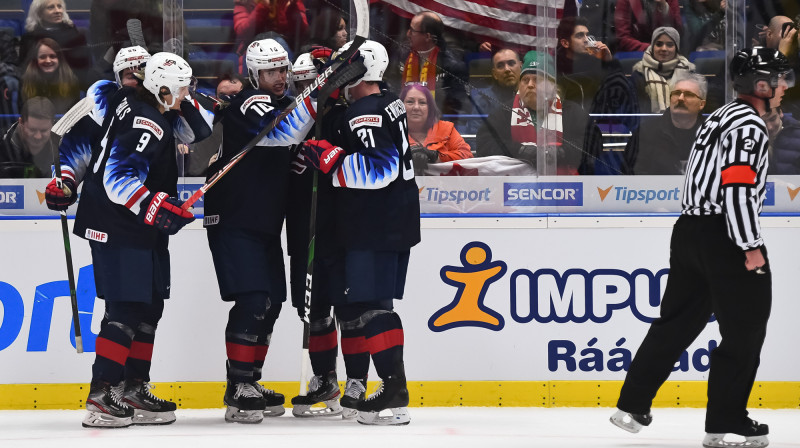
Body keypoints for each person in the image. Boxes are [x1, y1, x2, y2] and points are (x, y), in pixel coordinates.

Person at [610, 47, 790, 448]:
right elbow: (739, 188)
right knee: (744, 332)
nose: (783, 87)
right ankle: (725, 422)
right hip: (725, 236)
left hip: (689, 230)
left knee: (675, 323)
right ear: (760, 84)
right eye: (777, 79)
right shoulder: (749, 126)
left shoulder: (722, 115)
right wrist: (751, 246)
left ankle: (631, 405)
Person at [73, 52, 200, 428]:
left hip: (134, 223)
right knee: (126, 308)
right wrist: (159, 206)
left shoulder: (137, 103)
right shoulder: (148, 122)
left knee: (149, 307)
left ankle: (133, 388)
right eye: (180, 89)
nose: (185, 95)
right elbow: (118, 179)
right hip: (117, 223)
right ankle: (102, 394)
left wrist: (158, 208)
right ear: (161, 89)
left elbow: (197, 131)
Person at [300, 39, 420, 425]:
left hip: (376, 224)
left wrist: (331, 158)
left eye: (342, 69)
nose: (337, 76)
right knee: (365, 306)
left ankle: (393, 391)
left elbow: (379, 170)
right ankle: (390, 388)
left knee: (371, 307)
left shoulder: (363, 113)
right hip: (391, 221)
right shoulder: (389, 101)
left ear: (359, 71)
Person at [203, 38, 318, 424]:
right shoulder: (253, 102)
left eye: (284, 70)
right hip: (235, 218)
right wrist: (322, 90)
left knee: (271, 300)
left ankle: (250, 379)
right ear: (255, 74)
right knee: (253, 299)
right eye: (272, 71)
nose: (281, 77)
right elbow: (287, 131)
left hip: (263, 221)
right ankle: (238, 386)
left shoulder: (274, 101)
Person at [476, 50, 601, 175]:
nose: (530, 85)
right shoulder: (504, 112)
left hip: (566, 189)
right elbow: (484, 144)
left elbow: (594, 142)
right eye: (525, 80)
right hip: (514, 189)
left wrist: (562, 152)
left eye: (537, 80)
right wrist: (520, 150)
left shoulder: (572, 111)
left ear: (552, 85)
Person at [630, 72, 707, 174]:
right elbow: (628, 174)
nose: (680, 98)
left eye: (688, 95)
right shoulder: (645, 133)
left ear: (701, 104)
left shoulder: (711, 134)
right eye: (676, 93)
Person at [397, 10, 468, 116]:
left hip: (438, 123)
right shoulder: (403, 54)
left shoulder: (452, 66)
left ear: (427, 37)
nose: (408, 34)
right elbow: (394, 89)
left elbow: (459, 107)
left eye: (412, 30)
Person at [400, 83, 472, 175]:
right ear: (400, 106)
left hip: (442, 188)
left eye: (422, 102)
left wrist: (437, 157)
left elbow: (467, 156)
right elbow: (381, 159)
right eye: (410, 102)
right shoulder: (390, 131)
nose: (416, 107)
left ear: (430, 108)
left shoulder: (446, 129)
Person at [19, 0, 92, 84]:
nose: (58, 11)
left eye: (59, 6)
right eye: (51, 7)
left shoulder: (75, 35)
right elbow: (24, 70)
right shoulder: (29, 38)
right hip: (39, 86)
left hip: (71, 86)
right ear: (39, 13)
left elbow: (84, 70)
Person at [631, 27, 696, 113]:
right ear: (652, 47)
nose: (664, 49)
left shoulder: (689, 72)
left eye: (669, 45)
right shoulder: (639, 73)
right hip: (648, 124)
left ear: (676, 48)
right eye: (659, 44)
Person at [466, 47, 521, 135]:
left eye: (511, 63)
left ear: (520, 66)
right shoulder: (483, 99)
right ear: (494, 74)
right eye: (500, 66)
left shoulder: (532, 96)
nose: (507, 69)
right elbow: (474, 137)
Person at [20, 38, 82, 115]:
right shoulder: (24, 81)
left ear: (59, 59)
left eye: (52, 56)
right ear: (36, 60)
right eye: (42, 57)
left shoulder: (72, 80)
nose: (48, 61)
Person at [0, 96, 57, 178]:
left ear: (53, 125)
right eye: (32, 129)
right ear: (21, 123)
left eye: (44, 131)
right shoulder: (2, 145)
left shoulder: (65, 148)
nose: (38, 136)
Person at [614, 0, 683, 52]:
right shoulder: (625, 1)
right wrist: (651, 48)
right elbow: (623, 39)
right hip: (637, 52)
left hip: (665, 50)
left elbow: (677, 32)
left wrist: (665, 9)